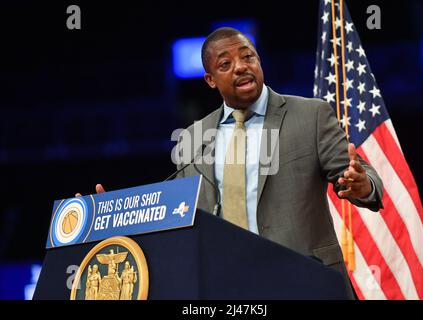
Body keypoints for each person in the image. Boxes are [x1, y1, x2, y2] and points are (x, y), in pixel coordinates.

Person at [79, 27, 383, 299]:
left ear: (259, 60)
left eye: (247, 56)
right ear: (211, 80)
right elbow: (170, 207)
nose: (240, 67)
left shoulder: (310, 115)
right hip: (230, 287)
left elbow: (362, 177)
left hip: (306, 280)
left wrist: (361, 184)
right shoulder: (193, 138)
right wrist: (116, 214)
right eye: (225, 64)